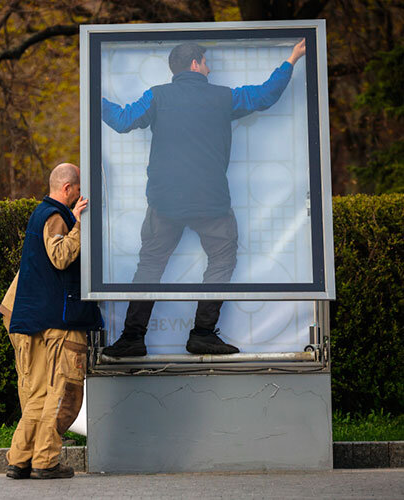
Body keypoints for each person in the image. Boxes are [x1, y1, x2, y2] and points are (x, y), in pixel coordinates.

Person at [101, 39, 306, 358]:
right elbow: (266, 95)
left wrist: (93, 99)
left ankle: (132, 338)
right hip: (211, 203)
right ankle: (203, 334)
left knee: (151, 265)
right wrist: (291, 59)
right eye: (206, 62)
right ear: (195, 63)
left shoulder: (157, 96)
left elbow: (123, 120)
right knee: (222, 257)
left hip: (164, 202)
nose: (209, 67)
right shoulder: (223, 97)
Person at [0, 162, 103, 479]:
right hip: (56, 321)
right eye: (79, 189)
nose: (80, 196)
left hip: (36, 319)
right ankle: (45, 461)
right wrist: (82, 223)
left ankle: (19, 459)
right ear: (68, 188)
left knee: (39, 394)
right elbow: (60, 256)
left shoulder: (40, 214)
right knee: (57, 393)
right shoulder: (56, 216)